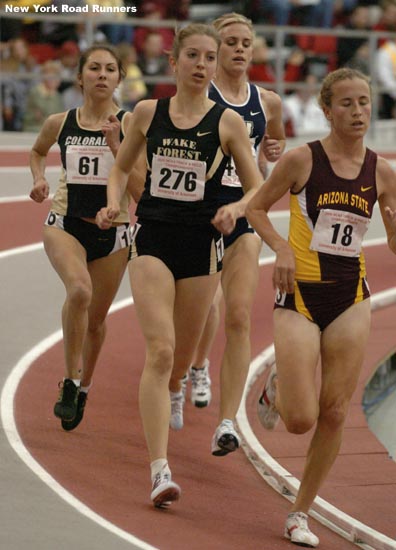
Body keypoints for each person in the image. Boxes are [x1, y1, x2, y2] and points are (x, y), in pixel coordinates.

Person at [96, 23, 264, 507]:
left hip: (201, 248)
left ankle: (177, 387)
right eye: (192, 55)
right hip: (152, 239)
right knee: (162, 350)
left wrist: (236, 208)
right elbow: (123, 168)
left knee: (183, 359)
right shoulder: (148, 112)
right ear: (173, 61)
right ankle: (159, 470)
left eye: (209, 58)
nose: (202, 65)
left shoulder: (228, 124)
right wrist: (113, 205)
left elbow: (258, 188)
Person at [246, 67, 396, 547]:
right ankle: (276, 389)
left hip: (350, 295)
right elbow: (254, 208)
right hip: (300, 296)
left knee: (334, 411)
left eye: (364, 103)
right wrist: (282, 248)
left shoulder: (383, 171)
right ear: (327, 110)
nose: (358, 112)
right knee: (300, 420)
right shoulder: (301, 161)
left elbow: (394, 244)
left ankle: (299, 513)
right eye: (347, 104)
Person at [168, 13, 285, 456]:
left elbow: (273, 141)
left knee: (237, 315)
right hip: (201, 216)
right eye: (230, 43)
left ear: (254, 50)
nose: (238, 49)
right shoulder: (201, 94)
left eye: (245, 43)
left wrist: (273, 148)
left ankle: (226, 421)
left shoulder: (267, 100)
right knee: (201, 314)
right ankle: (186, 374)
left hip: (245, 216)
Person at [29, 45, 133, 432]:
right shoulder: (60, 122)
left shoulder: (131, 123)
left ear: (120, 78)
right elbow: (38, 152)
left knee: (96, 322)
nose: (102, 75)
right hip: (65, 222)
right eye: (94, 68)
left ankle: (85, 385)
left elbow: (141, 186)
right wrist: (38, 178)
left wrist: (117, 147)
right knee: (79, 291)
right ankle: (70, 382)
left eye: (110, 69)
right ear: (80, 77)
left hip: (115, 231)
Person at [23, 60, 64, 132]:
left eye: (57, 76)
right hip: (34, 129)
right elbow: (38, 116)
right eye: (51, 77)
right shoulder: (35, 92)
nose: (57, 80)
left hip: (51, 131)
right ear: (44, 77)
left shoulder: (57, 96)